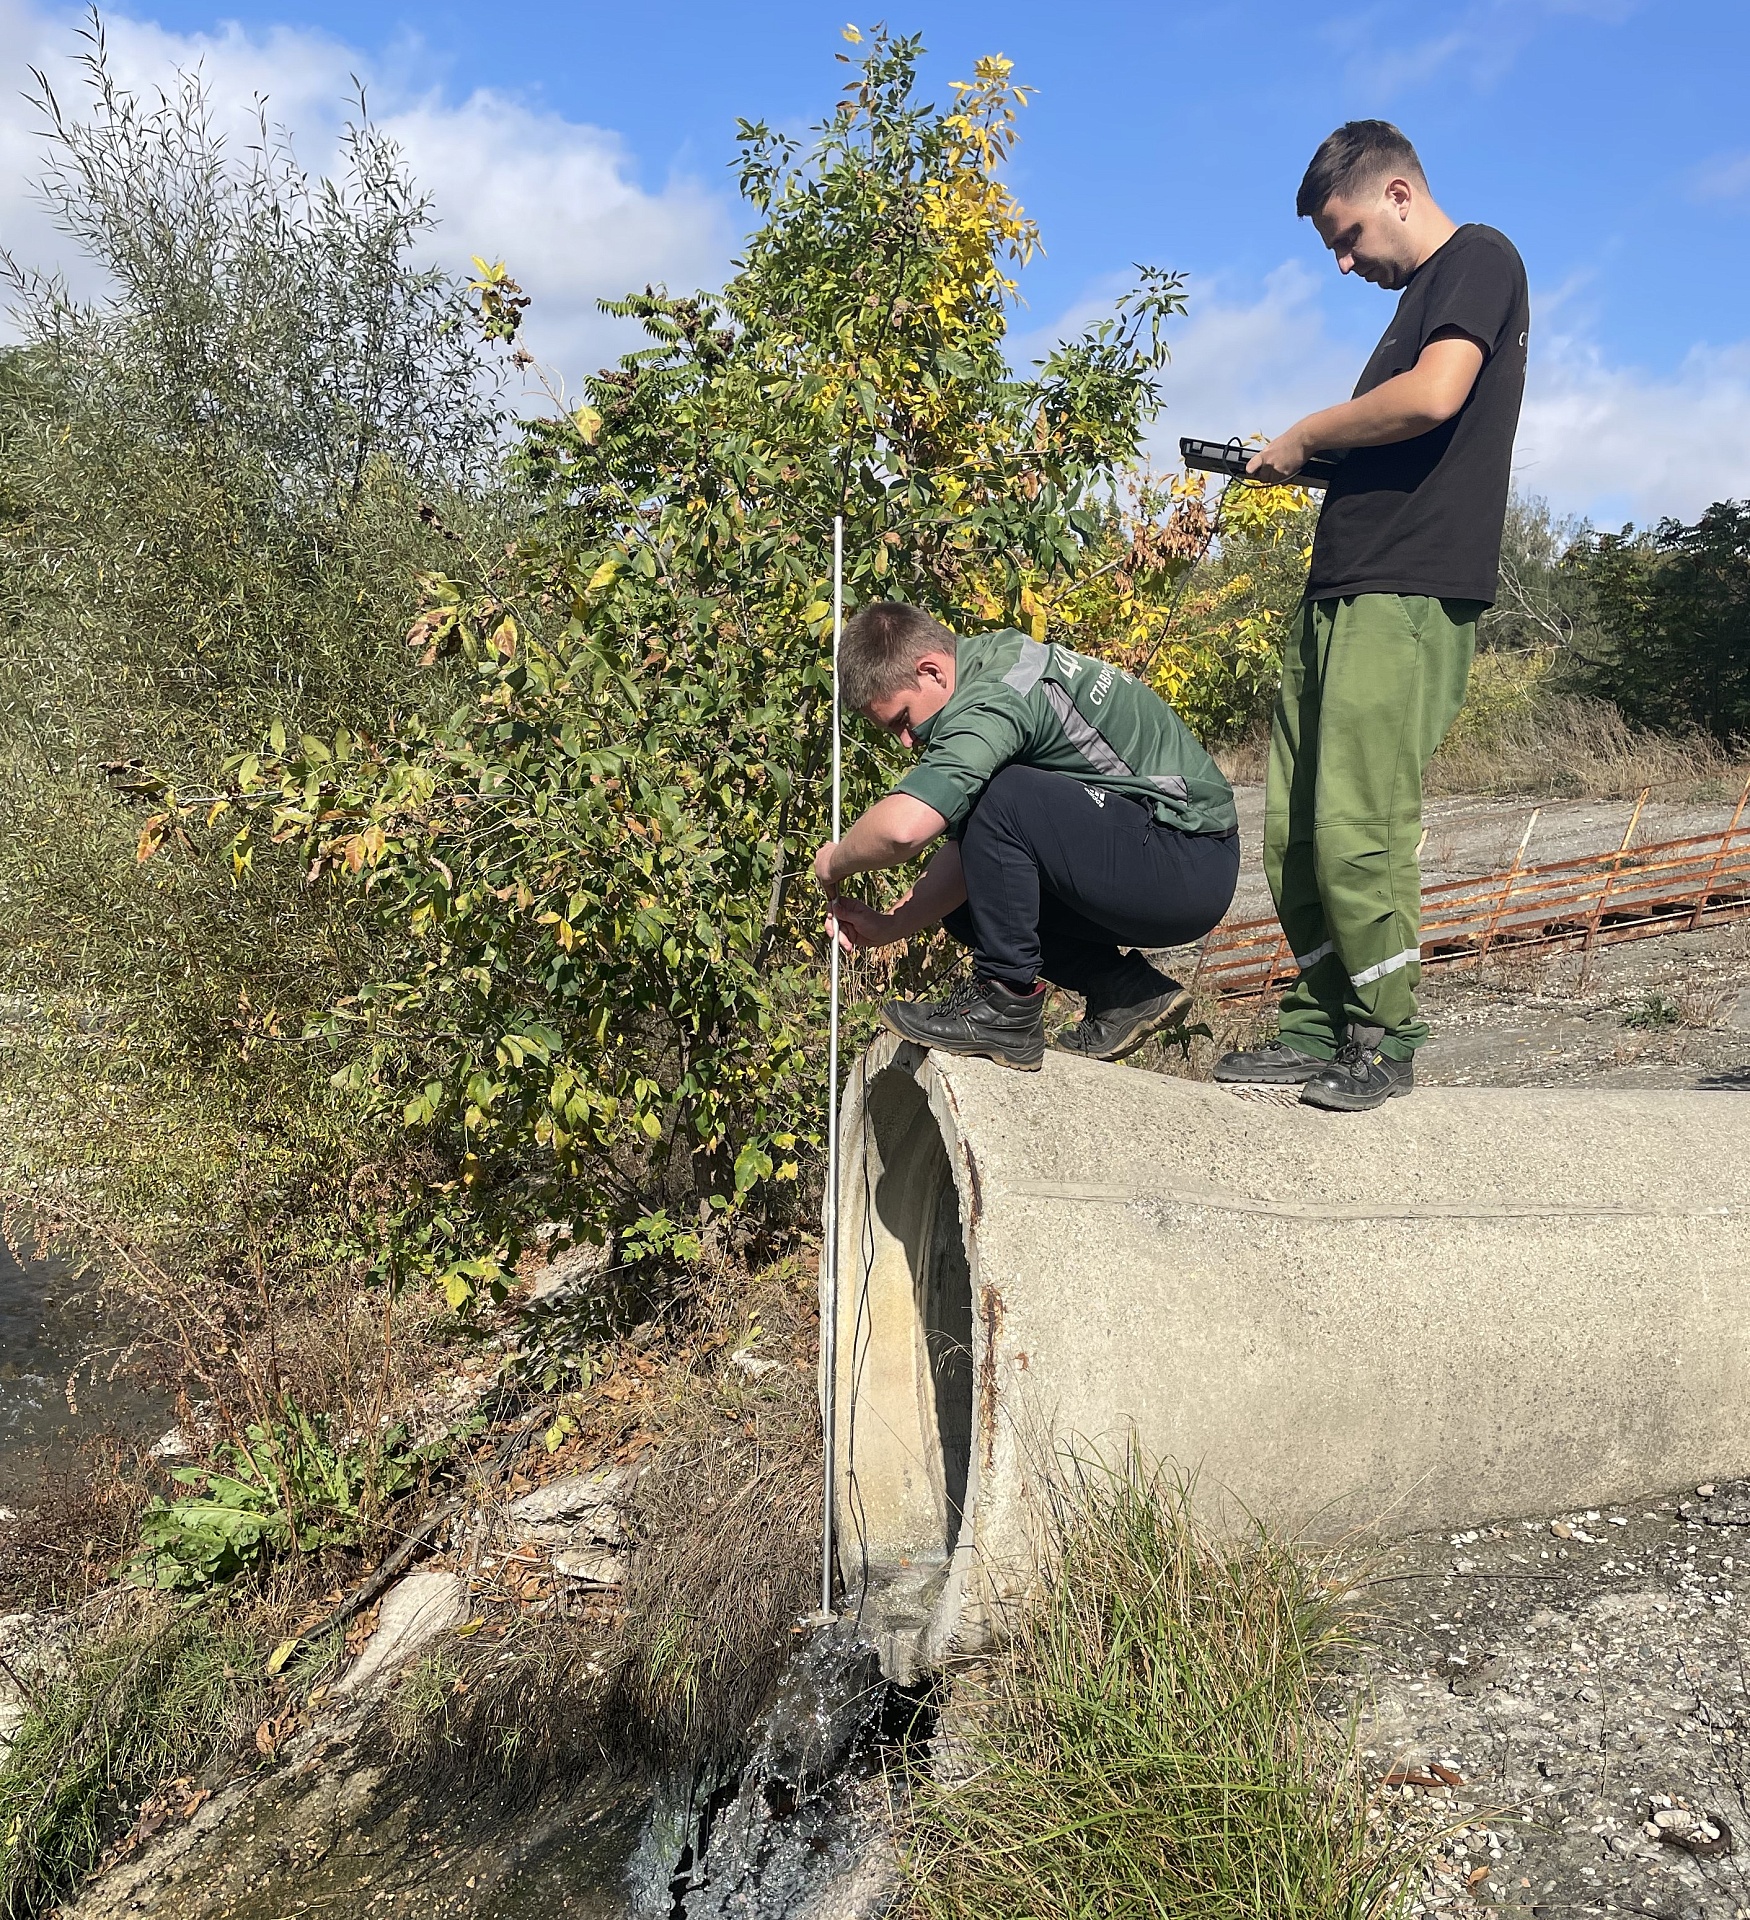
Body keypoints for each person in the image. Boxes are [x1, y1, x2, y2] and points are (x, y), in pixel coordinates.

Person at [1213, 119, 1528, 1111]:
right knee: (1296, 836)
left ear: (1398, 194)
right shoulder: (1408, 310)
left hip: (1404, 595)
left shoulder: (1478, 259)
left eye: (1346, 237)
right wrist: (1289, 463)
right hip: (1339, 590)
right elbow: (1390, 443)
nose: (1344, 263)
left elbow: (1435, 398)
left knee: (1358, 825)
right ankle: (1316, 1028)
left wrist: (1307, 431)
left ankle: (1384, 1038)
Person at [812, 603, 1239, 1072]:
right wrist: (892, 925)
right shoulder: (991, 667)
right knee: (971, 901)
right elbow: (982, 855)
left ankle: (1005, 1004)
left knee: (1001, 792)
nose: (907, 742)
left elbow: (903, 829)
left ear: (931, 671)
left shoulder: (995, 696)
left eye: (902, 720)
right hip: (1171, 862)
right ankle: (1124, 992)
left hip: (1187, 857)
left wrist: (835, 861)